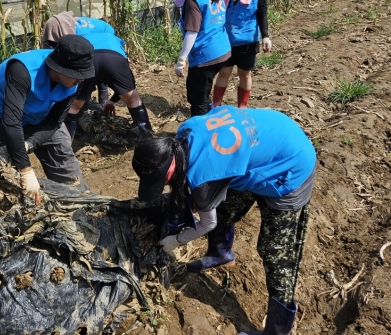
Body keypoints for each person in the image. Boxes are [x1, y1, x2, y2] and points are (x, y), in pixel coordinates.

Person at [132, 106, 317, 335]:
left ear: (170, 168)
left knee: (276, 252)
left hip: (288, 166)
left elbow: (206, 223)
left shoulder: (203, 176)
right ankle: (221, 254)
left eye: (162, 182)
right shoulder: (183, 133)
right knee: (225, 209)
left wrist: (177, 240)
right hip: (265, 141)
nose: (164, 186)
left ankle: (277, 331)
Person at [0, 34, 95, 201]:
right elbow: (11, 122)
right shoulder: (22, 70)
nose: (81, 79)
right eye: (76, 74)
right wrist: (25, 169)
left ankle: (78, 202)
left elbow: (54, 121)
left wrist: (30, 143)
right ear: (60, 68)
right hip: (2, 113)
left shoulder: (76, 82)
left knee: (63, 160)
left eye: (84, 74)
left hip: (42, 114)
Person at [42, 12, 153, 139]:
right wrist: (111, 101)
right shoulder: (111, 36)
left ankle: (68, 142)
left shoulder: (74, 30)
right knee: (133, 99)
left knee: (74, 106)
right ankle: (147, 138)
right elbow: (121, 84)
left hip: (87, 57)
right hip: (114, 57)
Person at [170, 0, 231, 116]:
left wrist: (182, 60)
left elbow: (192, 32)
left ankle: (203, 132)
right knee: (204, 89)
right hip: (223, 50)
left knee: (197, 99)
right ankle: (213, 115)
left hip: (206, 55)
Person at [212, 0, 272, 109]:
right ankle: (216, 106)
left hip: (247, 41)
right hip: (227, 39)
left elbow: (262, 14)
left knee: (244, 74)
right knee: (224, 72)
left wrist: (265, 36)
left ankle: (242, 108)